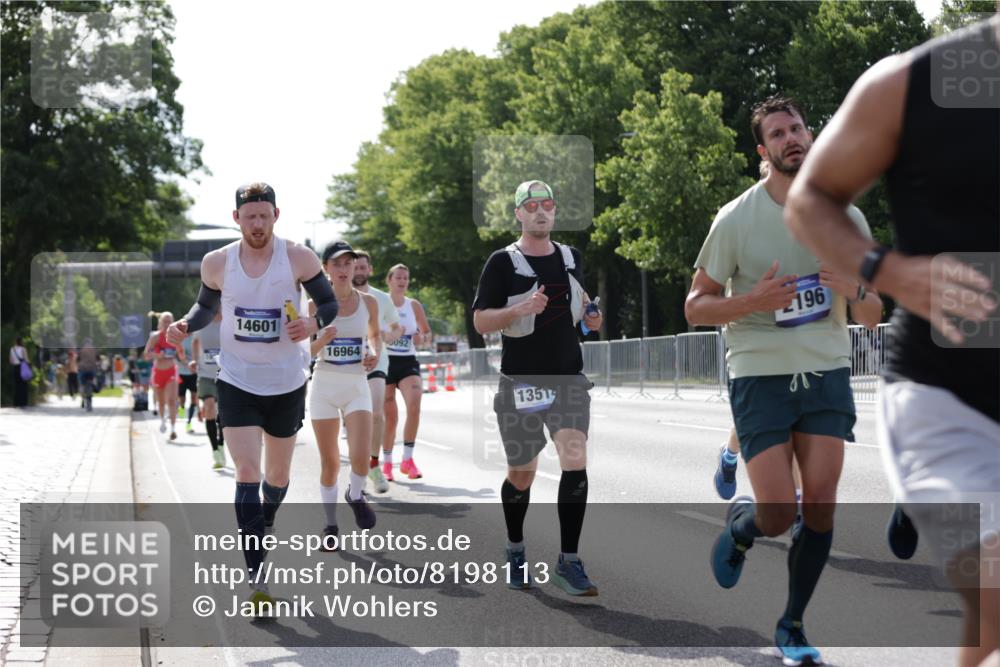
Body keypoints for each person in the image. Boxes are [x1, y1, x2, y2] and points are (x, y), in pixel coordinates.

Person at [784, 17, 999, 667]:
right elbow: (811, 197)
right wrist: (888, 268)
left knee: (985, 624)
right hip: (949, 408)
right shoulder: (913, 82)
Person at [685, 95, 883, 665]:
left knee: (819, 506)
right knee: (777, 514)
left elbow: (873, 314)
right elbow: (696, 307)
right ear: (763, 150)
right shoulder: (737, 218)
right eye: (778, 133)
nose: (791, 138)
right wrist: (752, 300)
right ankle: (743, 528)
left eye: (797, 128)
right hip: (760, 374)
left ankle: (792, 624)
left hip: (826, 371)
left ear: (811, 135)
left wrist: (852, 289)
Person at [167, 182, 338, 613]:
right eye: (250, 217)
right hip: (237, 379)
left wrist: (311, 325)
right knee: (246, 468)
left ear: (276, 215)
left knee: (276, 478)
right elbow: (205, 308)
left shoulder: (298, 257)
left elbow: (329, 303)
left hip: (287, 381)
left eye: (264, 216)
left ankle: (266, 518)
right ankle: (258, 579)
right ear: (237, 218)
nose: (257, 224)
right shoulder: (217, 262)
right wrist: (185, 326)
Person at [473, 179, 604, 596]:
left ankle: (569, 560)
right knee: (522, 473)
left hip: (568, 379)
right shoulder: (502, 262)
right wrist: (520, 308)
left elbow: (577, 320)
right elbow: (480, 322)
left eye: (547, 204)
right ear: (518, 213)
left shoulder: (571, 257)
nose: (540, 212)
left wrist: (590, 322)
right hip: (521, 383)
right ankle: (515, 548)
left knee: (574, 457)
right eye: (531, 206)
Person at [309, 240, 381, 545]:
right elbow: (303, 352)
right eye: (336, 264)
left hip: (355, 384)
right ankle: (330, 525)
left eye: (348, 263)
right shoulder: (312, 306)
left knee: (362, 458)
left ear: (355, 267)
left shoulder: (369, 303)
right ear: (325, 268)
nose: (343, 269)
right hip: (324, 384)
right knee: (330, 462)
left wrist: (374, 352)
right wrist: (321, 340)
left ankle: (354, 494)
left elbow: (374, 336)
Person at [352, 249, 403, 494]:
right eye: (355, 267)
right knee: (355, 421)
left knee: (375, 413)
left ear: (370, 270)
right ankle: (358, 468)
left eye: (363, 267)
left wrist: (389, 336)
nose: (359, 272)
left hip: (376, 362)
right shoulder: (336, 296)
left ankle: (373, 464)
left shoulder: (381, 298)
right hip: (345, 366)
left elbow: (397, 327)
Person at [381, 263, 432, 481]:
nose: (403, 282)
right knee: (390, 418)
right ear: (389, 280)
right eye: (398, 278)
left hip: (407, 361)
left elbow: (427, 333)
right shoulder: (380, 303)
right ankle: (386, 463)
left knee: (415, 405)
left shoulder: (414, 306)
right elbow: (371, 332)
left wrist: (422, 338)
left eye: (406, 278)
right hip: (384, 362)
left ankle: (408, 460)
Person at [143, 312, 185, 439]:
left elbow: (181, 354)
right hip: (158, 372)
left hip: (171, 371)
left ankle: (173, 429)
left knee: (171, 400)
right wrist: (157, 355)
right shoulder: (155, 337)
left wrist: (185, 358)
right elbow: (146, 354)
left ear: (173, 322)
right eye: (165, 321)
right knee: (161, 402)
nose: (167, 323)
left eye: (169, 321)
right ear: (160, 323)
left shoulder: (175, 337)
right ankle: (162, 420)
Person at [192, 311, 226, 469]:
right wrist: (194, 360)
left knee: (224, 414)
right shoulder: (201, 321)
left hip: (226, 375)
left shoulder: (229, 320)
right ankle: (215, 451)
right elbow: (195, 342)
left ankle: (221, 444)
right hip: (205, 375)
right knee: (210, 407)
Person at [177, 334, 199, 433]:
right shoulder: (180, 339)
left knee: (194, 398)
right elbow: (177, 356)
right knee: (182, 399)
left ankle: (189, 422)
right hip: (181, 373)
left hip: (193, 374)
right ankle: (181, 408)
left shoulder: (196, 337)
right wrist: (185, 362)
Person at [78, 339, 99, 412]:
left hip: (83, 369)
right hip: (92, 369)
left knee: (82, 384)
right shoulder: (94, 350)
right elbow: (98, 359)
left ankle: (83, 398)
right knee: (93, 379)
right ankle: (94, 386)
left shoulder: (81, 350)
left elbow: (78, 359)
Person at [9, 336, 30, 408]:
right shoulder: (23, 349)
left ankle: (15, 403)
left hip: (15, 368)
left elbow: (11, 361)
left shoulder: (12, 349)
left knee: (16, 386)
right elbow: (26, 359)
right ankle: (22, 403)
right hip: (22, 368)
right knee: (23, 386)